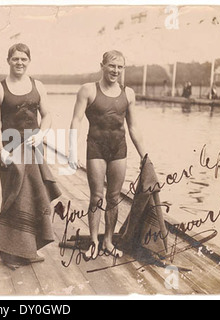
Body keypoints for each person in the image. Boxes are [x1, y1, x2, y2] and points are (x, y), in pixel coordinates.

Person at [0, 43, 62, 269]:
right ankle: (8, 252)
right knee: (13, 198)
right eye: (15, 58)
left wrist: (41, 134)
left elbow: (47, 115)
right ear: (8, 60)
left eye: (23, 59)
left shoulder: (38, 86)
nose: (19, 62)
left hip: (34, 149)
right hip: (10, 150)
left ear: (29, 61)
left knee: (34, 197)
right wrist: (0, 151)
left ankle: (27, 248)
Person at [68, 50, 147, 259]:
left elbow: (133, 127)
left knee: (113, 198)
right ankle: (94, 241)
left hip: (119, 149)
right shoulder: (87, 90)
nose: (115, 70)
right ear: (102, 65)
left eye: (120, 67)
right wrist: (71, 150)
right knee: (96, 196)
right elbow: (76, 121)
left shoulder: (128, 93)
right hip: (96, 148)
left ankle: (109, 241)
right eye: (112, 66)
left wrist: (144, 156)